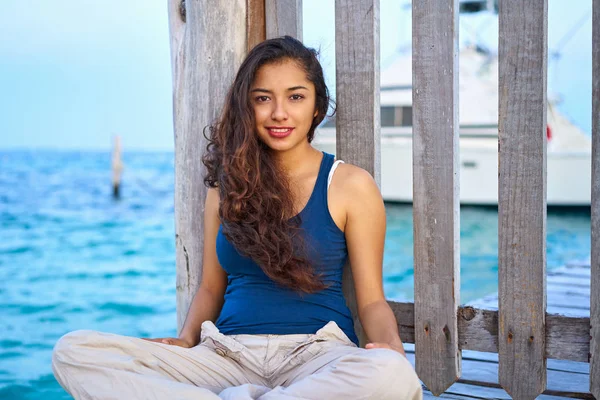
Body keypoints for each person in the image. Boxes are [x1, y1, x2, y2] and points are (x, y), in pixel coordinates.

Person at [52, 36, 422, 400]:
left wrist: (391, 349)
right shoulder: (226, 188)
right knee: (74, 352)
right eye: (263, 99)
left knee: (392, 375)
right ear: (248, 107)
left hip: (316, 359)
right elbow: (211, 288)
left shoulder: (349, 185)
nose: (279, 113)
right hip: (224, 357)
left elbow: (371, 300)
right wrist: (184, 340)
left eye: (295, 97)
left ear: (316, 107)